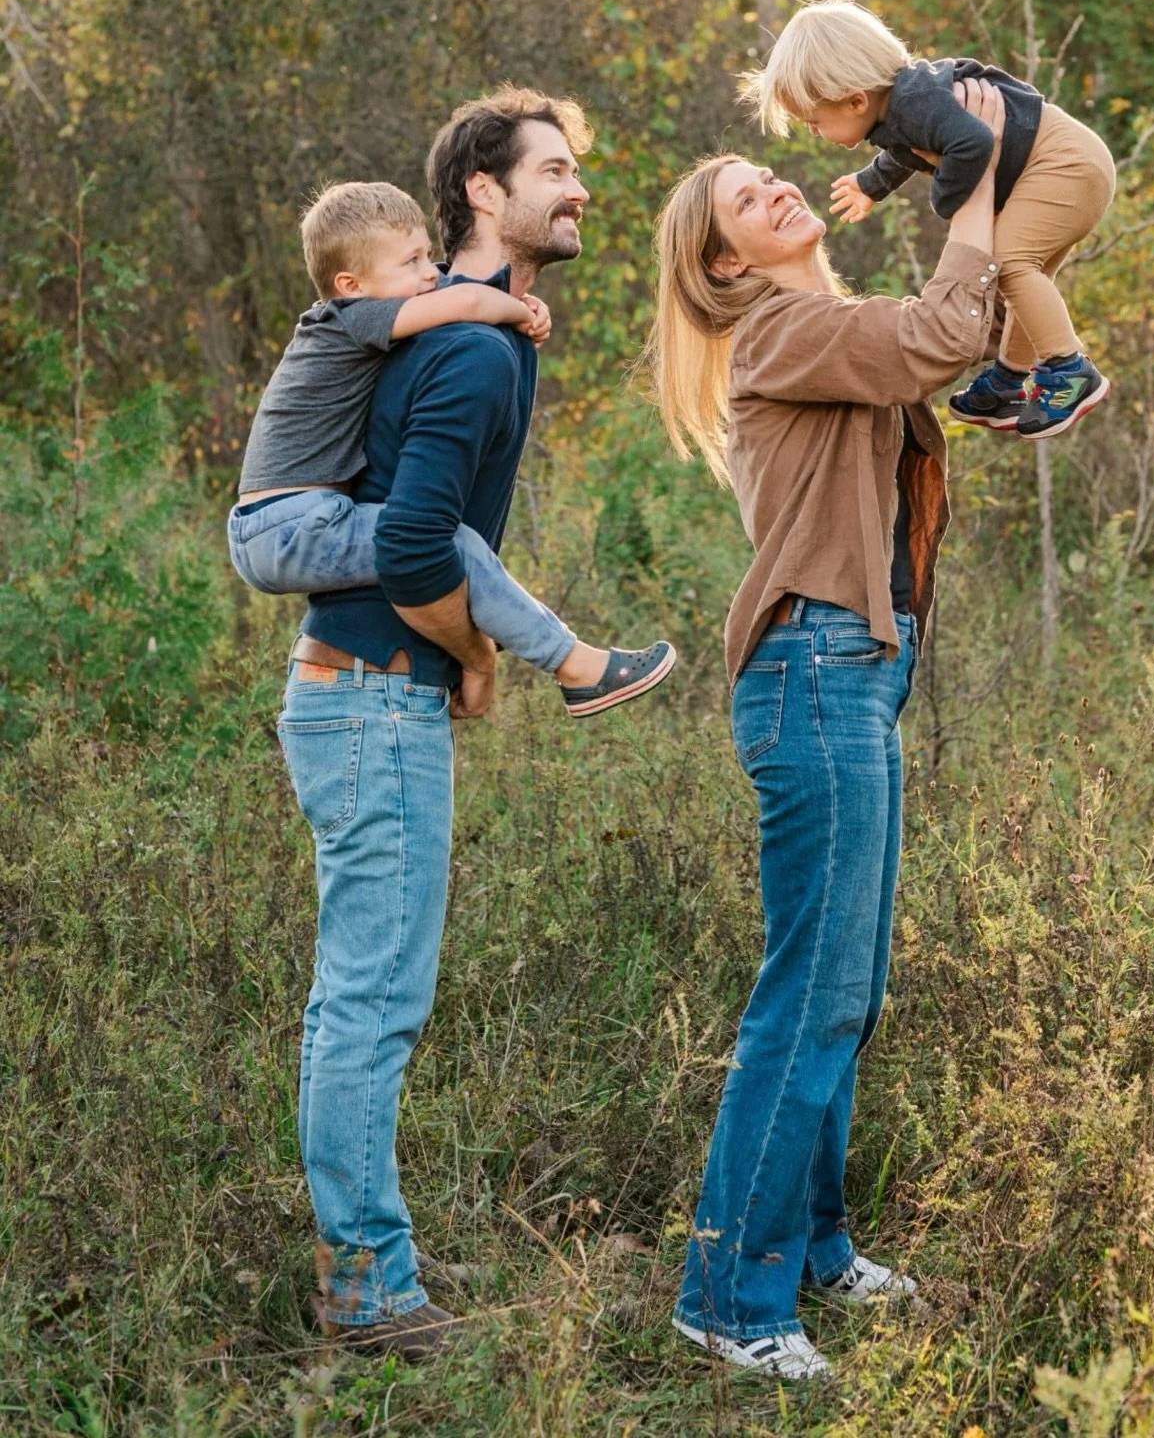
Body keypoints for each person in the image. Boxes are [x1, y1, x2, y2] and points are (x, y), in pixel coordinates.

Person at [274, 90, 676, 1365]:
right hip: (376, 699)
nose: (582, 189)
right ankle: (368, 1291)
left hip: (370, 694)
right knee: (371, 1002)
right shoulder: (467, 347)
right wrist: (477, 656)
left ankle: (370, 1261)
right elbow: (406, 541)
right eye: (556, 170)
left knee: (369, 996)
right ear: (483, 195)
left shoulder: (469, 335)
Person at [645, 78, 1007, 1379]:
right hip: (812, 671)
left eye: (768, 174)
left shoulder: (820, 319)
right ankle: (729, 1300)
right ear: (724, 261)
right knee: (809, 995)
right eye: (746, 196)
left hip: (857, 668)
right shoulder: (777, 332)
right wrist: (973, 178)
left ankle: (808, 1249)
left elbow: (928, 351)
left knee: (845, 992)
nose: (776, 186)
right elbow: (938, 338)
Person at [228, 179, 675, 719]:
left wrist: (511, 300)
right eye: (411, 262)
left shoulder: (363, 309)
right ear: (350, 283)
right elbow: (462, 297)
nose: (427, 272)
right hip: (287, 529)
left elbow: (447, 286)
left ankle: (514, 638)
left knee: (444, 543)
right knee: (447, 542)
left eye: (426, 254)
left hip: (283, 523)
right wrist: (520, 312)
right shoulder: (350, 317)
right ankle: (574, 665)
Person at [738, 0, 1116, 440]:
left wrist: (948, 202)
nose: (815, 132)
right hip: (1062, 167)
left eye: (814, 121)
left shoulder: (916, 103)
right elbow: (909, 150)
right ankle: (1010, 381)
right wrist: (870, 185)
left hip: (1065, 167)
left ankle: (1069, 370)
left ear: (855, 101)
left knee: (1011, 264)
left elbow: (972, 143)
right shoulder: (902, 105)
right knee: (1015, 275)